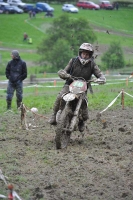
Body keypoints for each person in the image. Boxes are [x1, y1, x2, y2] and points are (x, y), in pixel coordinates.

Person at [48, 43, 106, 132]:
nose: (85, 55)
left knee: (84, 107)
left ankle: (81, 121)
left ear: (90, 55)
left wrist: (100, 79)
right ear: (80, 53)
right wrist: (64, 74)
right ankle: (54, 114)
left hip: (83, 87)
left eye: (87, 54)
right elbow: (64, 70)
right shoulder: (73, 61)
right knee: (60, 97)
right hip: (70, 83)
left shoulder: (92, 65)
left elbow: (100, 75)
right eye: (83, 53)